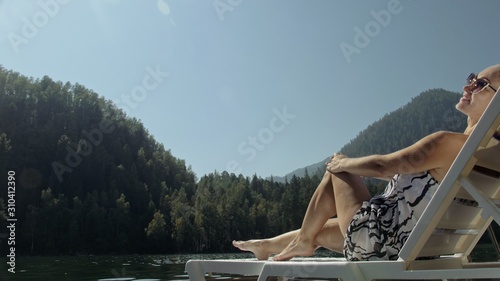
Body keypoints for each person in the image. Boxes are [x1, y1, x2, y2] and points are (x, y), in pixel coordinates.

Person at [233, 64, 500, 261]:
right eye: (471, 78)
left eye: (480, 85)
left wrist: (344, 163)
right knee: (323, 230)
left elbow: (384, 166)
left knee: (336, 173)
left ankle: (302, 242)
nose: (467, 86)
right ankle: (268, 245)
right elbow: (411, 181)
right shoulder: (485, 160)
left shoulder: (448, 144)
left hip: (381, 242)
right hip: (413, 245)